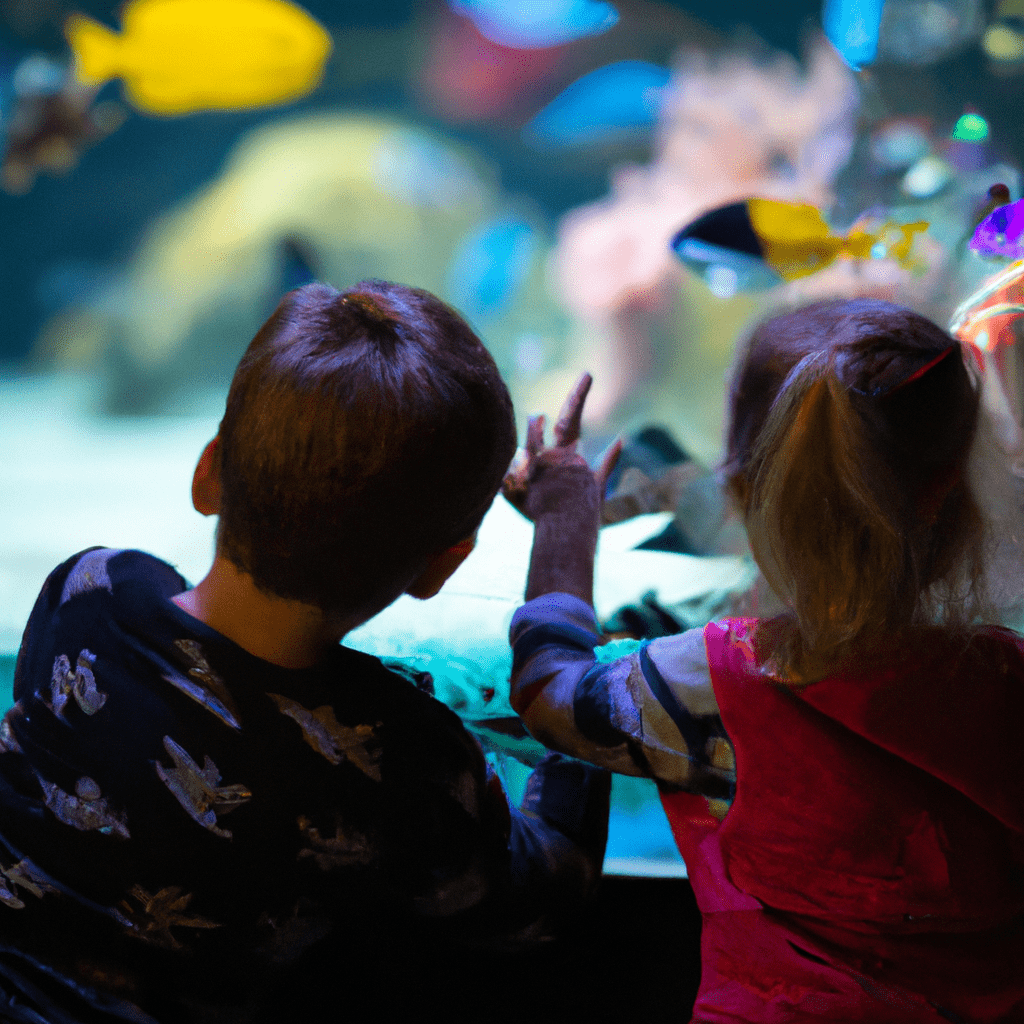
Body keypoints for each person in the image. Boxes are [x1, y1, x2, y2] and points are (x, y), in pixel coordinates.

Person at [0, 281, 610, 1023]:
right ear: (440, 567)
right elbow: (544, 895)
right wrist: (566, 539)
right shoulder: (398, 756)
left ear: (208, 472)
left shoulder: (89, 592)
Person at [505, 299, 1024, 1023]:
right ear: (965, 485)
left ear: (748, 493)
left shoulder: (717, 681)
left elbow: (552, 697)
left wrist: (564, 528)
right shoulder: (1006, 679)